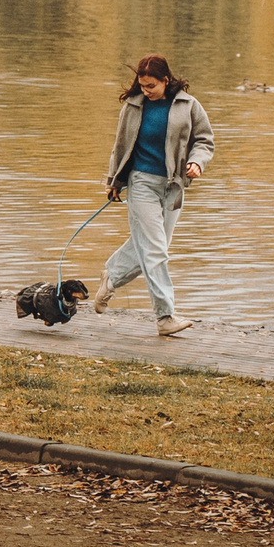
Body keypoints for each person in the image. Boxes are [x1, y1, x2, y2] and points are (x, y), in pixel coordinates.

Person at [95, 54, 215, 336]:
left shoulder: (188, 105)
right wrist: (114, 180)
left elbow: (205, 140)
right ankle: (165, 317)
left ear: (165, 80)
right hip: (142, 184)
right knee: (155, 250)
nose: (146, 91)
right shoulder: (134, 106)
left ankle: (111, 275)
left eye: (151, 86)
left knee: (152, 248)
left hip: (173, 186)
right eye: (142, 85)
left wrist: (197, 162)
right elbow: (120, 145)